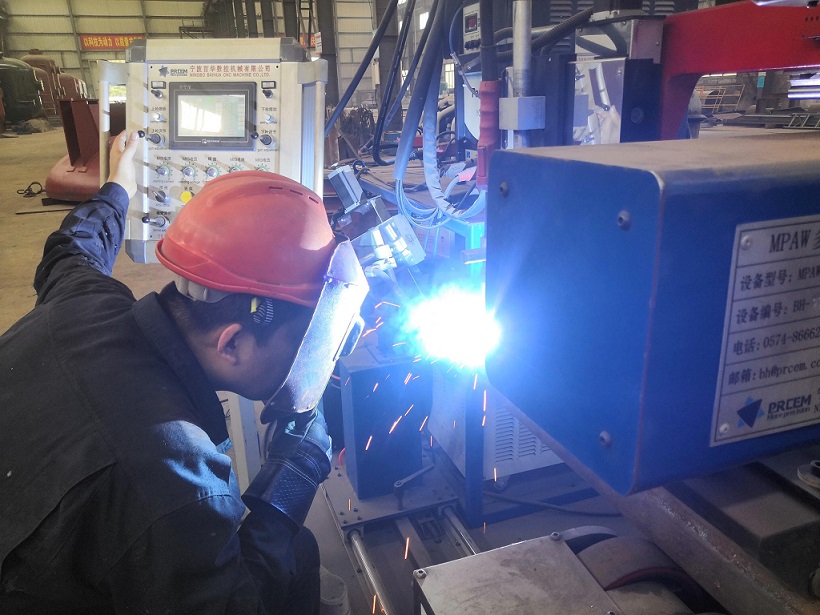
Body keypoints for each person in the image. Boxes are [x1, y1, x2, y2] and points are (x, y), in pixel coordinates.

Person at [0, 130, 368, 614]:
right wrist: (292, 477)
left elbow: (72, 247)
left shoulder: (82, 299)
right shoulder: (176, 479)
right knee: (295, 555)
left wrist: (119, 186)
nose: (318, 358)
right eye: (307, 343)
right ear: (232, 343)